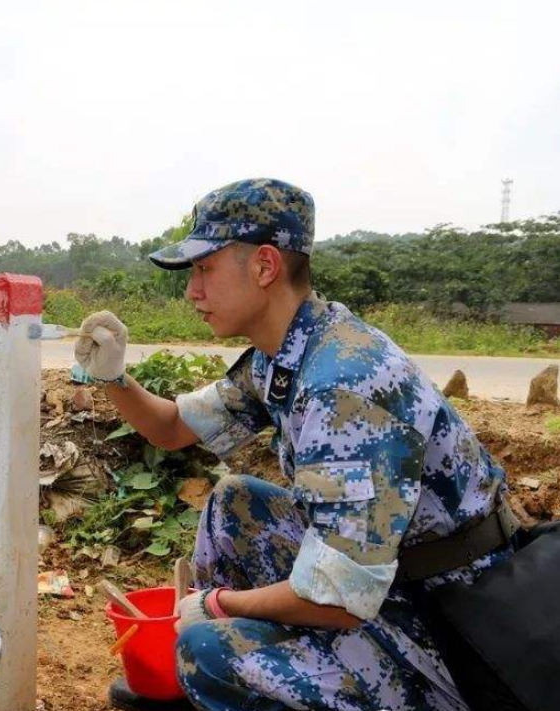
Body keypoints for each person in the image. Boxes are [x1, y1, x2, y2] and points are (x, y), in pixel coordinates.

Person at [75, 178, 514, 711]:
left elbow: (340, 598)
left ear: (264, 266)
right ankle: (213, 678)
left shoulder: (342, 384)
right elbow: (171, 428)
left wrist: (214, 606)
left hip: (452, 628)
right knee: (234, 502)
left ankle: (218, 673)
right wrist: (112, 377)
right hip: (394, 578)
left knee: (208, 649)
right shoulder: (289, 351)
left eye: (204, 268)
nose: (192, 290)